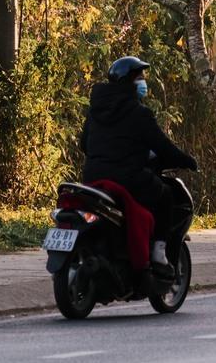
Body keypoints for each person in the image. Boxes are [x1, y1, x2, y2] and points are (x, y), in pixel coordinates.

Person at [77, 56, 197, 278]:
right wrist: (187, 161)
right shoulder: (139, 113)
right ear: (127, 82)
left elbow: (84, 144)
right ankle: (159, 254)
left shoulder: (95, 111)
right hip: (127, 178)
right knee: (165, 197)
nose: (143, 82)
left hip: (92, 178)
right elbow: (162, 146)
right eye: (139, 77)